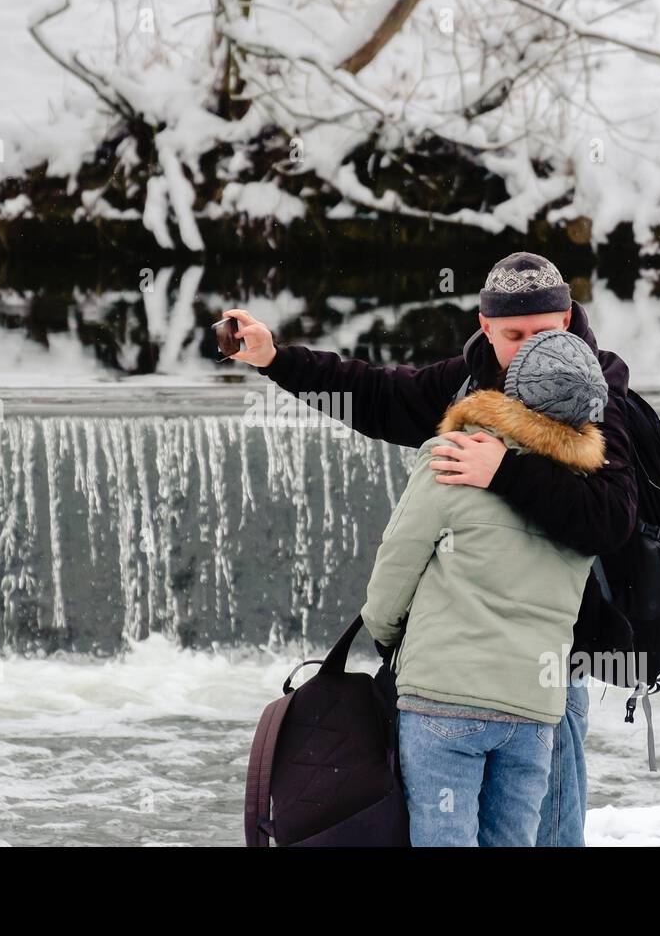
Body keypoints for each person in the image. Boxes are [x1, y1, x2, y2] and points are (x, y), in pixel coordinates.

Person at [224, 251, 637, 846]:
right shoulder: (468, 382)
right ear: (485, 326)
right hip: (466, 664)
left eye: (543, 332)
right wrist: (275, 359)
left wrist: (503, 470)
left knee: (546, 836)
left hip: (554, 659)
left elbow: (610, 519)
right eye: (512, 335)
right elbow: (375, 395)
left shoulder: (594, 391)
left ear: (569, 321)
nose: (526, 350)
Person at [360, 331, 609, 845]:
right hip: (533, 710)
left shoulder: (451, 458)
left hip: (443, 696)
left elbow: (393, 575)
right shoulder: (584, 497)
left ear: (509, 391)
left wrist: (389, 638)